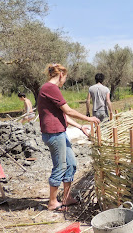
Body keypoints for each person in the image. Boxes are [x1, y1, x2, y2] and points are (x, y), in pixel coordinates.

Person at [38, 63, 100, 211]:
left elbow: (62, 114)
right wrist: (89, 119)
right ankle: (53, 202)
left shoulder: (49, 89)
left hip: (59, 131)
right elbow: (68, 110)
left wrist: (80, 126)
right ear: (61, 75)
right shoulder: (50, 88)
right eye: (65, 77)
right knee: (60, 166)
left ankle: (66, 198)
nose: (64, 81)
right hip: (54, 133)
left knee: (71, 164)